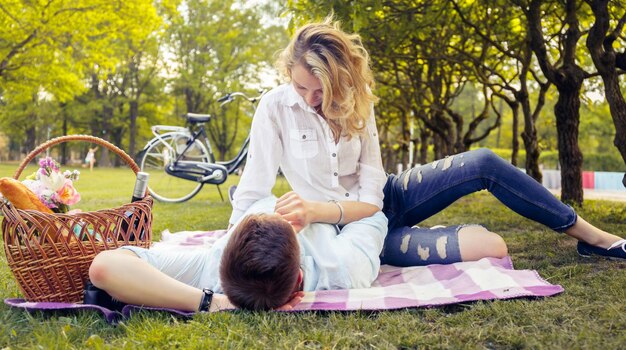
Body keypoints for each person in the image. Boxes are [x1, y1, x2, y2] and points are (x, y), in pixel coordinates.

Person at [229, 17, 626, 267]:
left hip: (384, 200)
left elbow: (371, 197)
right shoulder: (275, 107)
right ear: (288, 73)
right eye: (302, 87)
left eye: (322, 91)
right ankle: (433, 237)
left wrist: (316, 207)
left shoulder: (356, 102)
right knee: (492, 246)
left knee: (484, 160)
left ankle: (595, 240)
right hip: (355, 234)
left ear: (342, 82)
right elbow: (252, 192)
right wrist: (228, 254)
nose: (311, 100)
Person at [89, 196, 388, 311]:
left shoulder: (208, 267)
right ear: (298, 287)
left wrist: (210, 302)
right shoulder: (344, 269)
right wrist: (318, 210)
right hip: (338, 201)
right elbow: (374, 215)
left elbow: (103, 268)